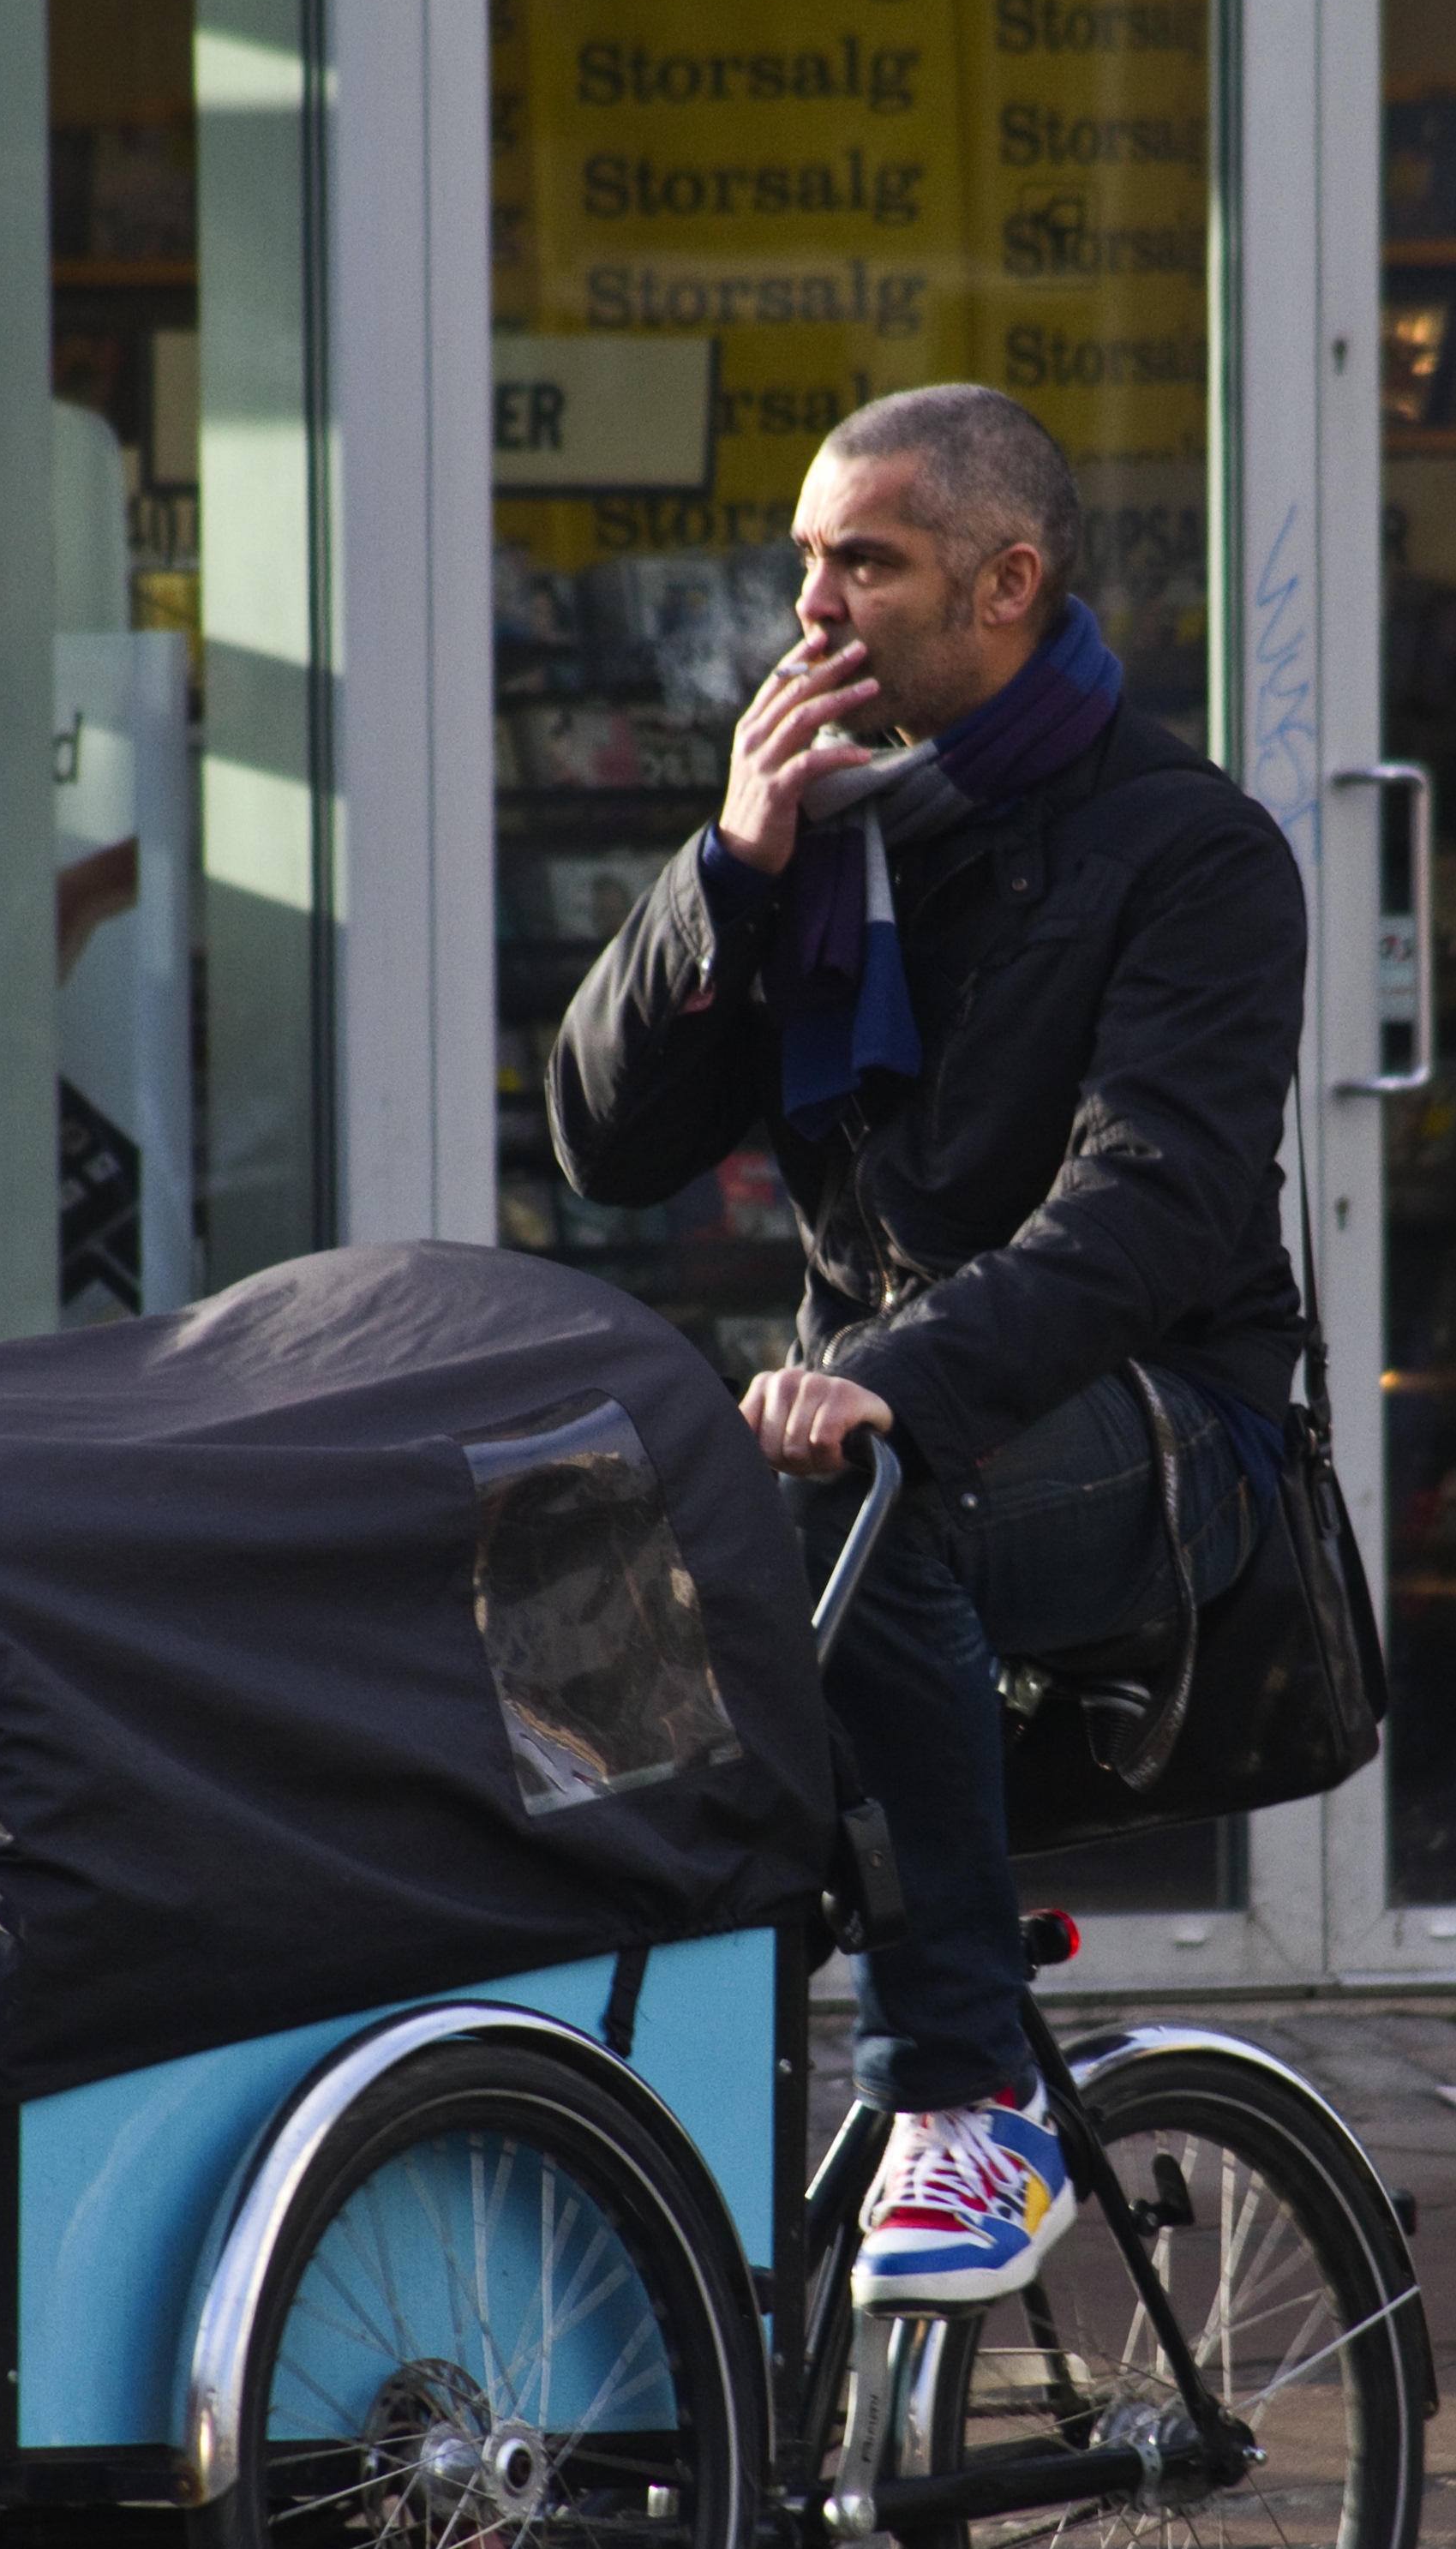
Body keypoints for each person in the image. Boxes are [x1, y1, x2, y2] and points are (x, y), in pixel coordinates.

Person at [549, 385, 1306, 2316]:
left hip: (1166, 1441)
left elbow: (1147, 1211)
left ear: (1005, 585)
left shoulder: (1189, 852)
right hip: (885, 1423)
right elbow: (607, 1141)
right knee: (549, 1604)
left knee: (861, 1502)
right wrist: (724, 865)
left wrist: (895, 1381)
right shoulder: (824, 843)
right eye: (802, 559)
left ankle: (965, 2092)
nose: (812, 607)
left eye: (863, 563)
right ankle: (621, 2386)